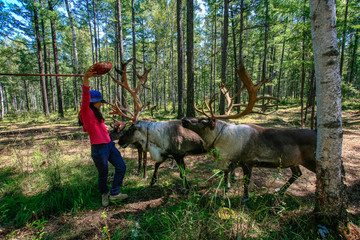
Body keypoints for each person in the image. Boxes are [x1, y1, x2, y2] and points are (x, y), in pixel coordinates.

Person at [78, 68, 128, 207]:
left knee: (121, 167)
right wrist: (86, 78)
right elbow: (85, 96)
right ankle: (104, 193)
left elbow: (104, 133)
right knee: (103, 174)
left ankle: (114, 192)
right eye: (99, 101)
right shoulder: (86, 112)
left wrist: (118, 128)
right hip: (99, 149)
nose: (101, 104)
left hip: (109, 145)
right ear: (93, 102)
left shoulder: (98, 115)